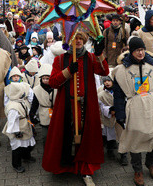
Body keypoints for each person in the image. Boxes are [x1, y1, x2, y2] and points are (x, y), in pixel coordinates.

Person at [42, 32, 107, 186]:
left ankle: (85, 169)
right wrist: (68, 71)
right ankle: (68, 166)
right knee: (67, 135)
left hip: (86, 105)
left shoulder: (91, 57)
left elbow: (104, 72)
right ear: (68, 41)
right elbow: (52, 82)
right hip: (66, 105)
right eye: (74, 38)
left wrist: (100, 54)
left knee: (86, 137)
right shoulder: (60, 59)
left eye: (80, 39)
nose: (78, 41)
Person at [112, 37, 153, 186]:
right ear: (131, 51)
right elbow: (119, 95)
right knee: (135, 137)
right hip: (134, 107)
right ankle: (137, 170)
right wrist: (120, 115)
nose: (140, 53)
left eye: (142, 50)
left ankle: (151, 163)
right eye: (137, 50)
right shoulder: (121, 70)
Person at [2, 67, 35, 173]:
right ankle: (16, 164)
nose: (16, 78)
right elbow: (6, 105)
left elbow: (31, 98)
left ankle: (26, 156)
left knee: (28, 141)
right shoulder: (13, 106)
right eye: (13, 77)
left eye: (17, 76)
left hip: (25, 121)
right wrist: (16, 132)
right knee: (17, 146)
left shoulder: (25, 90)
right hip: (17, 125)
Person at [97, 76, 126, 165]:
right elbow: (101, 106)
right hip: (109, 117)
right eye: (105, 81)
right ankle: (110, 150)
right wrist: (110, 110)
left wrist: (119, 109)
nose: (107, 83)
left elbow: (125, 101)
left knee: (122, 136)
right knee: (110, 135)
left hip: (120, 117)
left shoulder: (119, 91)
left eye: (109, 81)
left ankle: (123, 155)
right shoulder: (101, 95)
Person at [30, 64, 56, 145]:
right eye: (43, 78)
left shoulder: (57, 87)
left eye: (47, 79)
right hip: (44, 113)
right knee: (45, 136)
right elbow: (35, 104)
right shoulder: (37, 89)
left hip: (55, 112)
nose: (45, 80)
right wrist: (32, 114)